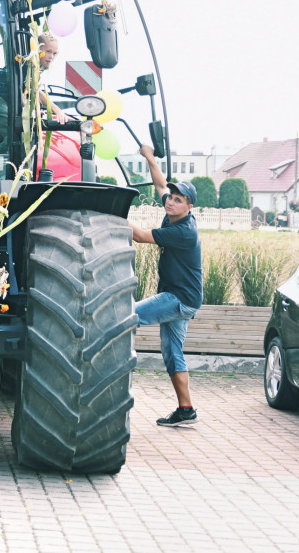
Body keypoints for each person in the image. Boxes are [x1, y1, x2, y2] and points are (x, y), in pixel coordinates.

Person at [128, 144, 203, 427]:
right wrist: (149, 157)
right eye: (170, 198)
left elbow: (142, 236)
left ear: (189, 207)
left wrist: (110, 213)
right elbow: (159, 181)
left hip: (180, 299)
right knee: (173, 353)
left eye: (178, 200)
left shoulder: (183, 231)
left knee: (129, 314)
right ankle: (186, 410)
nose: (170, 202)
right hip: (184, 298)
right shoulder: (174, 214)